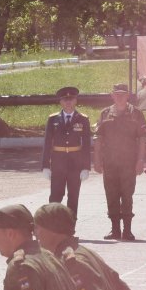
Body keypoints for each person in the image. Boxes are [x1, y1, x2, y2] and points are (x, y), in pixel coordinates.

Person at [94, 84, 146, 240]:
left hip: (128, 162)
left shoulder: (136, 113)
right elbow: (99, 138)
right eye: (116, 94)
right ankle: (114, 229)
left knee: (127, 195)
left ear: (127, 96)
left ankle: (128, 230)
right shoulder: (105, 113)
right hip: (110, 162)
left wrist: (140, 160)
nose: (119, 97)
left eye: (122, 94)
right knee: (111, 195)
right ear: (112, 96)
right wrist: (96, 160)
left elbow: (143, 139)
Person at [42, 86, 93, 216]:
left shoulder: (83, 119)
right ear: (60, 102)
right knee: (55, 195)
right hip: (58, 162)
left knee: (73, 196)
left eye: (71, 99)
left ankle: (70, 228)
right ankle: (51, 225)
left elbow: (86, 144)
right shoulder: (53, 119)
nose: (68, 102)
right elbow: (47, 143)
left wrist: (86, 167)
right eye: (65, 100)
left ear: (76, 101)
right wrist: (45, 166)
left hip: (75, 163)